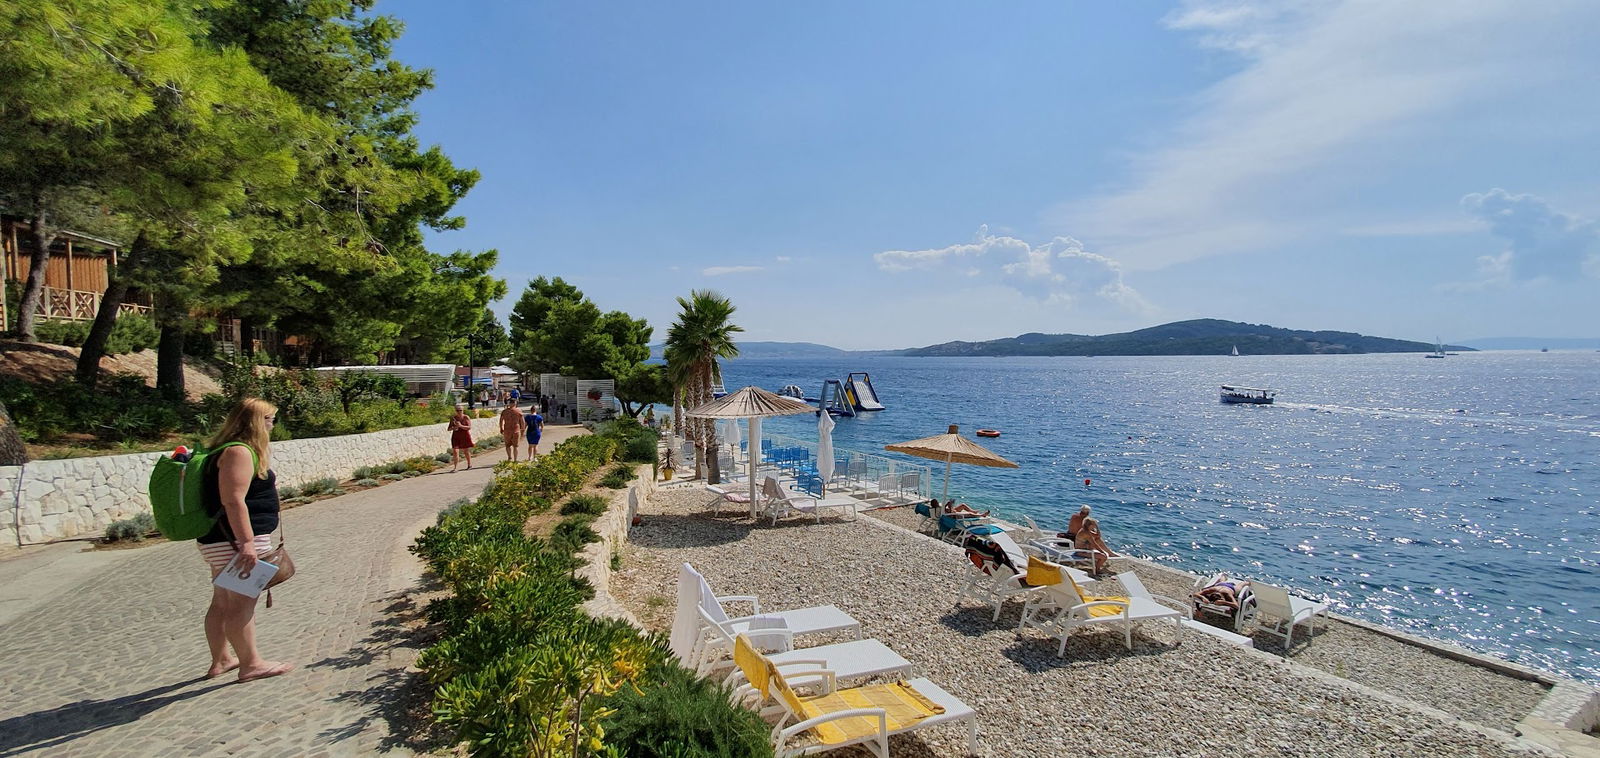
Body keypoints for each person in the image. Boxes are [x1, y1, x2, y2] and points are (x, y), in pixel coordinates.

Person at [197, 397, 293, 683]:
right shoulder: (239, 452)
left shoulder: (223, 450)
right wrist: (247, 543)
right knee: (242, 602)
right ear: (257, 422)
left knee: (222, 602)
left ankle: (222, 660)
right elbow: (234, 500)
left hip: (219, 541)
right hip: (235, 541)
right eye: (269, 419)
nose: (272, 425)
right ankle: (251, 664)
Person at [499, 398, 527, 462]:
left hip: (507, 430)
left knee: (507, 445)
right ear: (515, 403)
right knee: (515, 446)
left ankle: (509, 457)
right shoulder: (518, 411)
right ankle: (515, 459)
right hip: (516, 430)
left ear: (509, 403)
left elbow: (501, 421)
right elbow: (522, 421)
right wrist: (523, 429)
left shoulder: (504, 411)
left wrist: (501, 428)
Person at [448, 404, 474, 471]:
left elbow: (469, 427)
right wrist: (455, 427)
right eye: (457, 410)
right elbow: (449, 429)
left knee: (466, 451)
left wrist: (461, 426)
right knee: (455, 451)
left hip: (464, 435)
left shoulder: (466, 417)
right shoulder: (453, 418)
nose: (459, 412)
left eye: (460, 410)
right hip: (456, 436)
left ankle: (469, 464)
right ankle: (455, 467)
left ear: (463, 410)